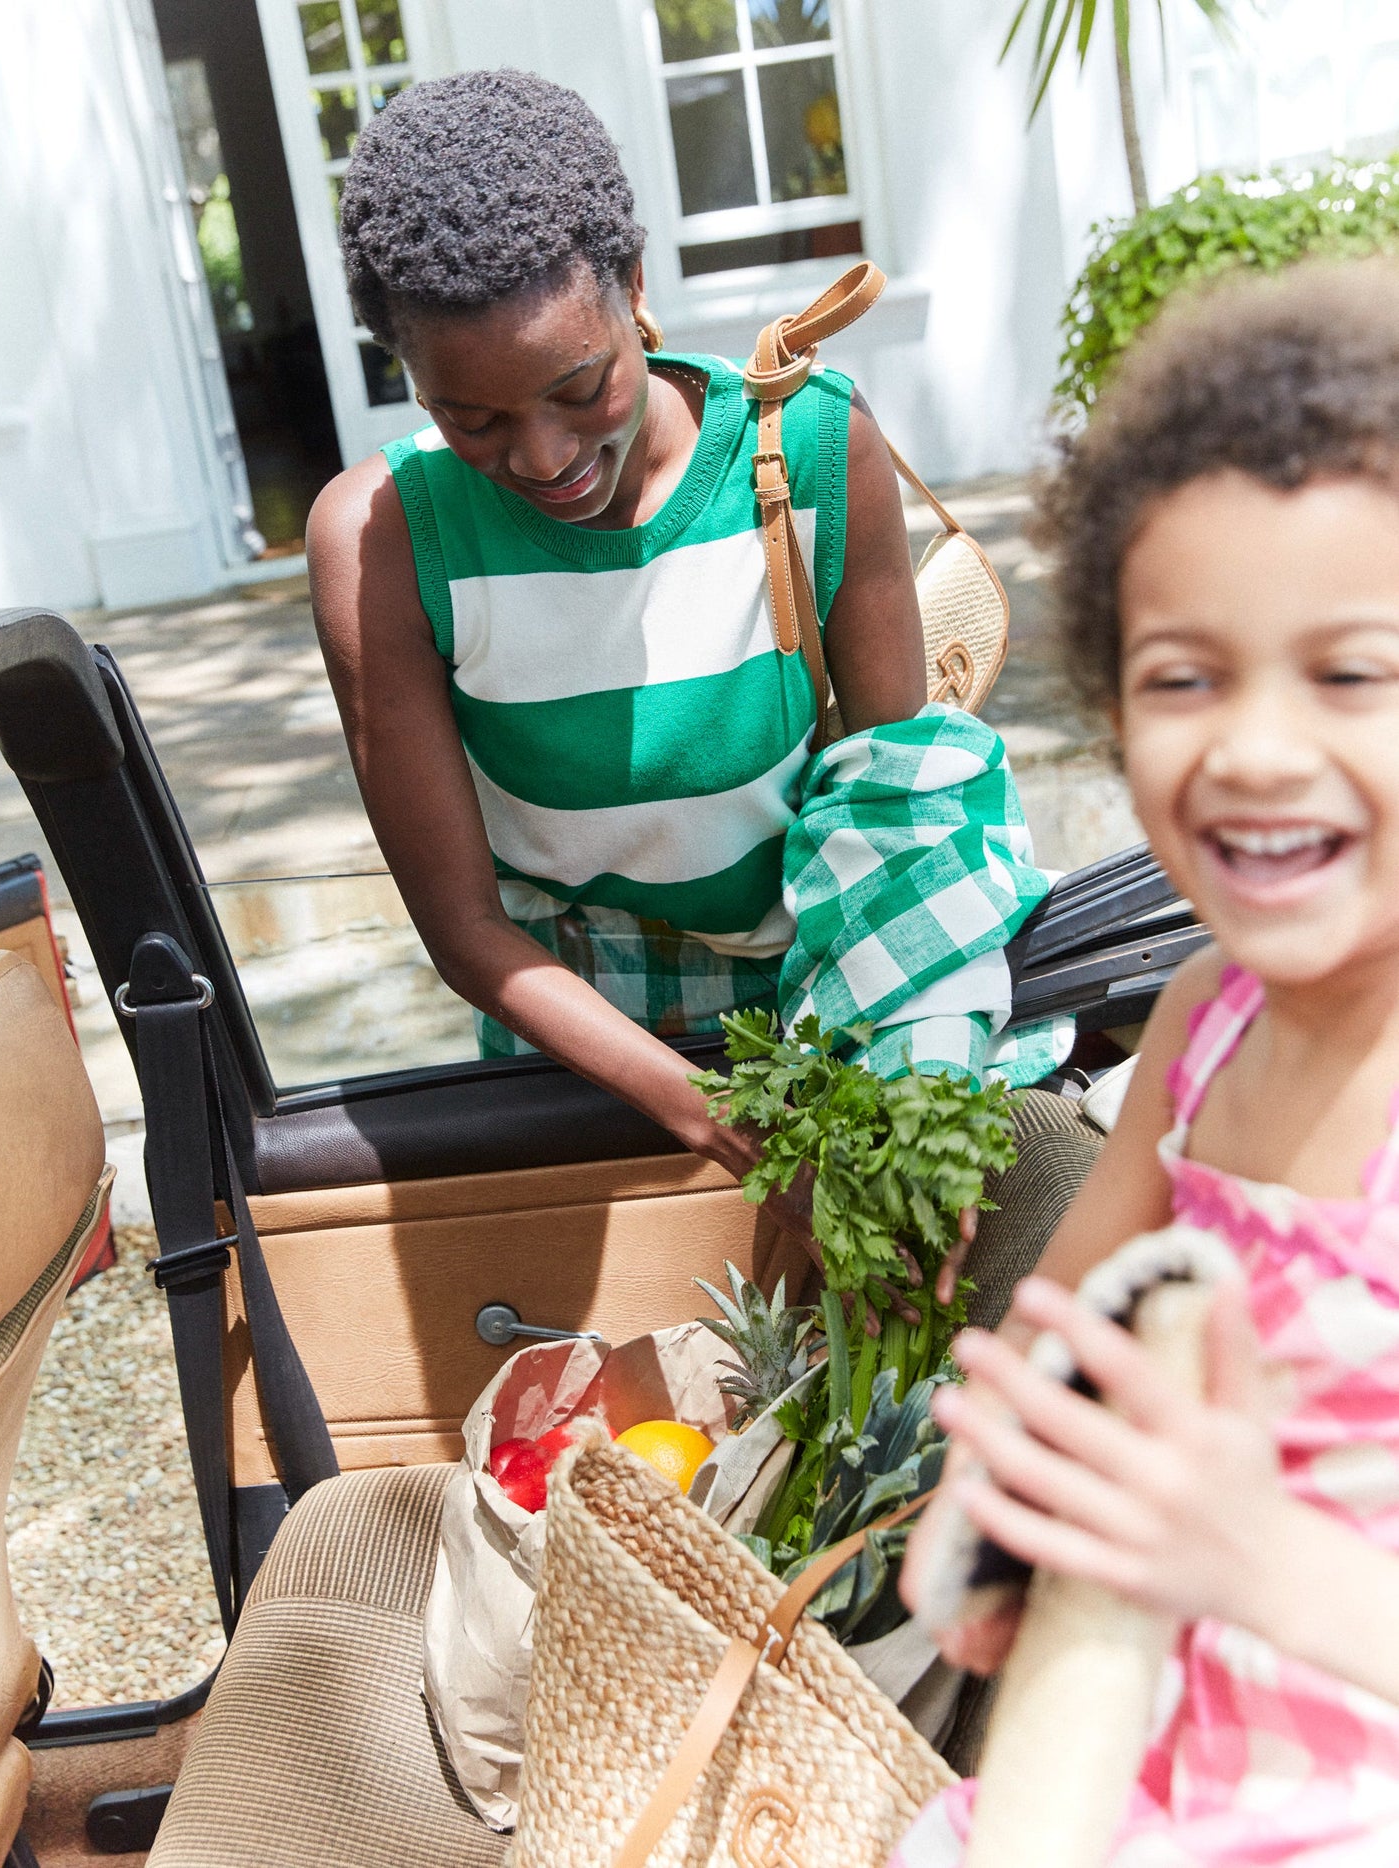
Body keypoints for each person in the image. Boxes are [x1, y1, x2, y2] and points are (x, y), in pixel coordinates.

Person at [307, 69, 1082, 1255]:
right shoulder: (381, 541)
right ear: (407, 377)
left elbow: (899, 820)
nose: (544, 456)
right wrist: (711, 1116)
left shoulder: (811, 447)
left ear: (631, 284)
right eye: (475, 420)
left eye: (580, 386)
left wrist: (913, 1102)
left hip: (828, 988)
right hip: (577, 1045)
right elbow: (464, 928)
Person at [894, 257, 1399, 1862]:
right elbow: (1057, 1344)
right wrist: (998, 1517)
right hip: (1160, 1779)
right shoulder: (1200, 1025)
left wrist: (1253, 1558)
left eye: (1349, 673)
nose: (1252, 748)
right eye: (1185, 677)